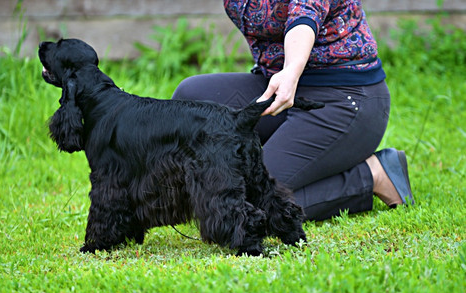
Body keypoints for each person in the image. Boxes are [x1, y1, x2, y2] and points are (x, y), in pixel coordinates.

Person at [172, 0, 414, 221]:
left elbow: (305, 13)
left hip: (345, 98)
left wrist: (291, 69)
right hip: (279, 88)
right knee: (190, 100)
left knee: (247, 202)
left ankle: (372, 175)